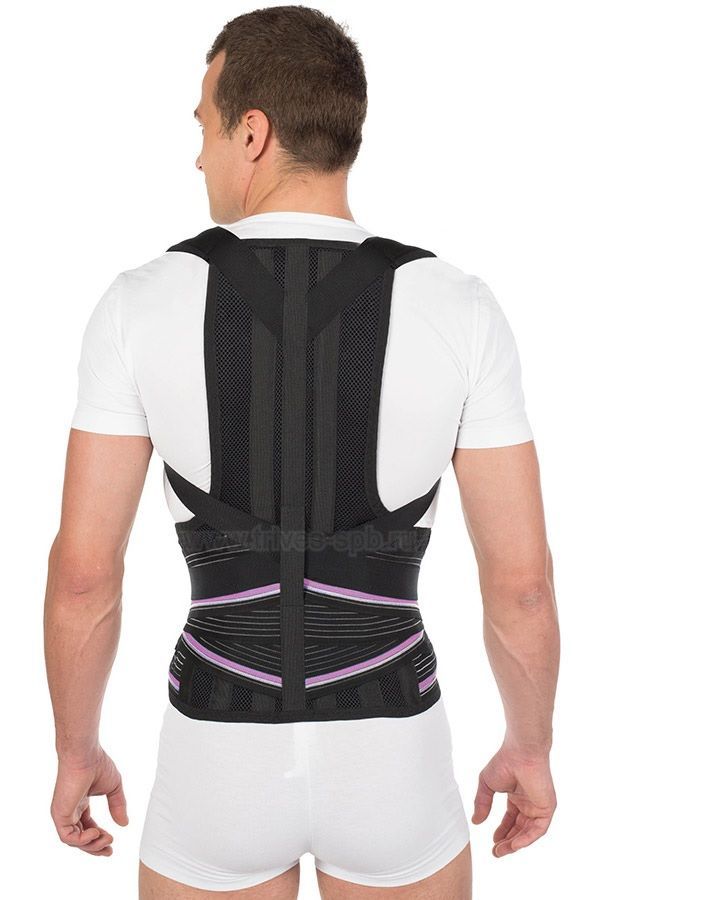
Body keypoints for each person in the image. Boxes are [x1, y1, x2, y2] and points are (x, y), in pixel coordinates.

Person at [43, 6, 559, 898]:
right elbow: (522, 586)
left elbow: (84, 578)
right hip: (393, 753)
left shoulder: (139, 303)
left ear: (253, 133)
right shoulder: (459, 306)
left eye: (204, 128)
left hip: (216, 754)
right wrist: (531, 746)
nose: (198, 156)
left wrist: (75, 749)